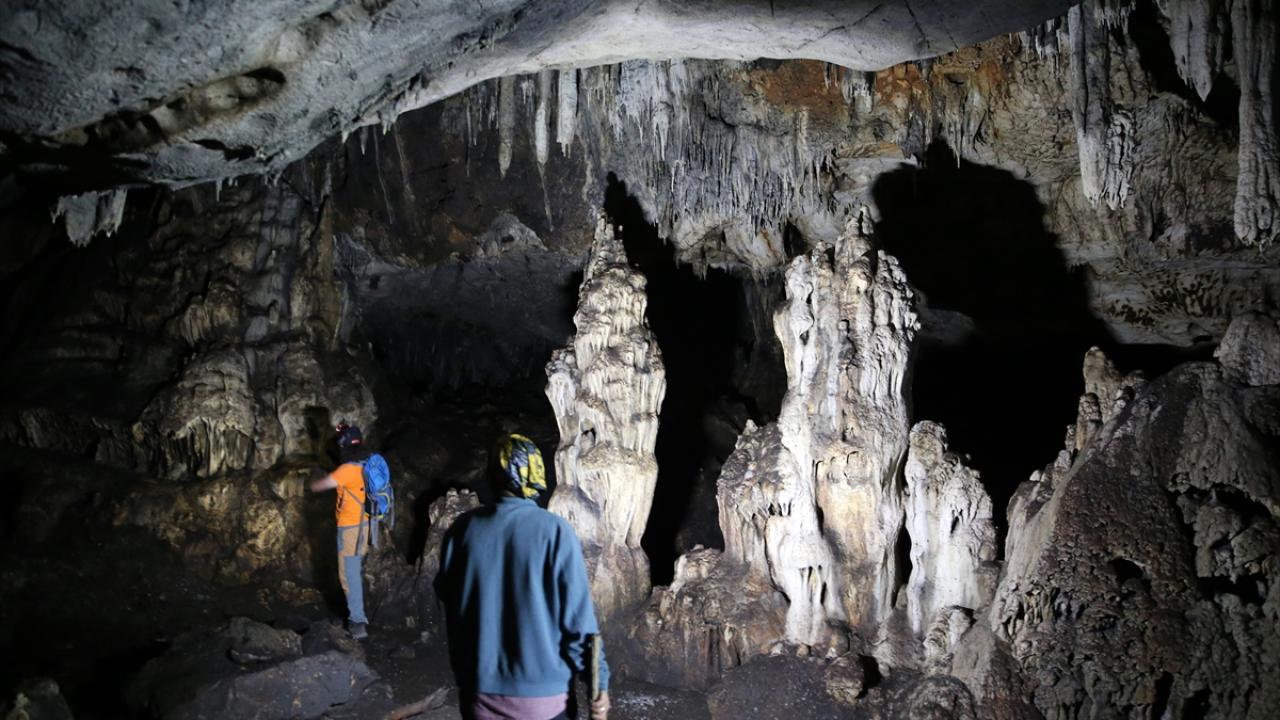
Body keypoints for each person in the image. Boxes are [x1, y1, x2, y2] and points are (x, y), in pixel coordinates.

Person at [434, 434, 611, 720]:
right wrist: (598, 684)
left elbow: (447, 597)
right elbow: (580, 623)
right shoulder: (555, 532)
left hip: (480, 694)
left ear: (491, 475)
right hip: (544, 700)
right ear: (536, 473)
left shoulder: (461, 530)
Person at [308, 422, 372, 640]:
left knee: (349, 574)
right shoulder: (366, 464)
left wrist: (314, 475)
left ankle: (358, 623)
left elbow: (319, 486)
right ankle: (359, 615)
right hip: (365, 526)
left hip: (350, 528)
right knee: (355, 571)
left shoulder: (347, 470)